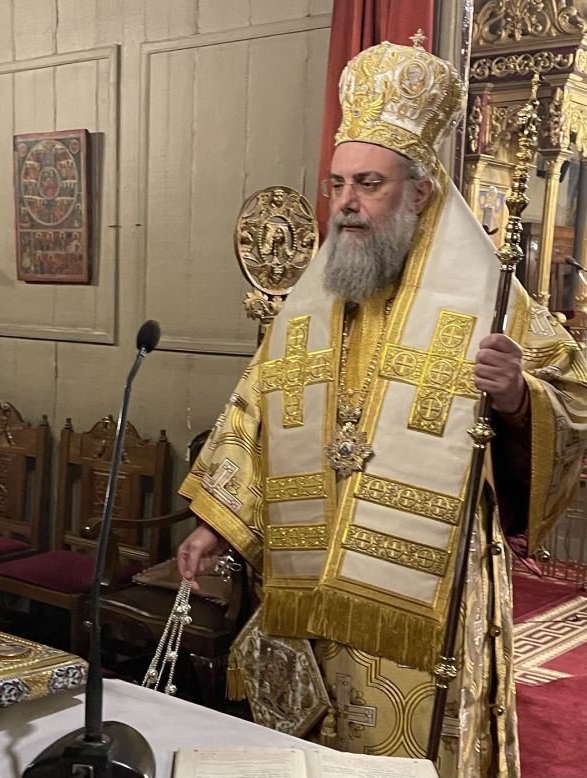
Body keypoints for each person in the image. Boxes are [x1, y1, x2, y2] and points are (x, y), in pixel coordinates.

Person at [177, 40, 587, 778]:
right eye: (337, 184)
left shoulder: (489, 298)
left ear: (421, 193)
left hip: (424, 597)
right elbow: (254, 409)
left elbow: (574, 401)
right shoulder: (316, 296)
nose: (346, 203)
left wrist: (517, 396)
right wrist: (218, 523)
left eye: (369, 184)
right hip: (307, 576)